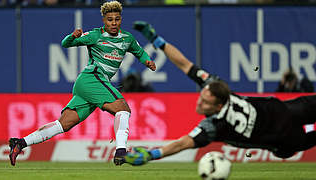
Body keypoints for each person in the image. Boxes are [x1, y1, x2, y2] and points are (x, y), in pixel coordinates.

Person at [123, 21, 316, 165]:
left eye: (206, 102)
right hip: (285, 138)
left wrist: (151, 155)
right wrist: (157, 40)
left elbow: (182, 144)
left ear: (219, 106)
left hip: (288, 111)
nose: (199, 103)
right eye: (202, 97)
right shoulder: (214, 85)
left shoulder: (215, 125)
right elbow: (184, 63)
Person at [8, 1, 156, 166]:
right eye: (109, 19)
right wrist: (73, 37)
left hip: (89, 85)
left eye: (117, 19)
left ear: (121, 19)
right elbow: (66, 44)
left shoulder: (127, 38)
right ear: (103, 20)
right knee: (123, 109)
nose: (113, 23)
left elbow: (139, 51)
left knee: (62, 124)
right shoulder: (95, 35)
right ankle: (121, 151)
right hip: (92, 77)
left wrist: (147, 61)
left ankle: (20, 143)